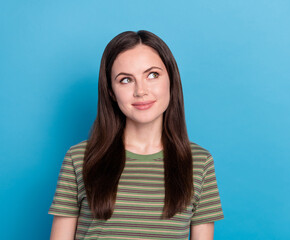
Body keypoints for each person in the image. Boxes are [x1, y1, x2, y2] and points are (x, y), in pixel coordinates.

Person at [48, 30, 224, 240]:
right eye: (125, 80)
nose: (141, 91)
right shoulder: (78, 158)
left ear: (171, 80)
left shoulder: (200, 162)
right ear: (111, 91)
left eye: (152, 75)